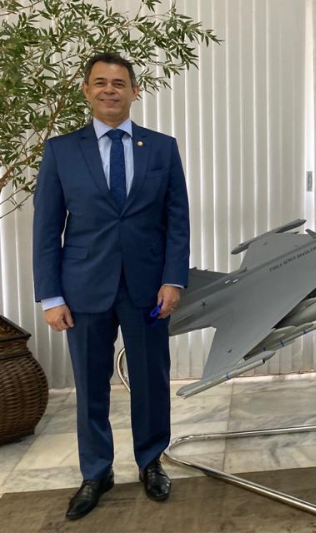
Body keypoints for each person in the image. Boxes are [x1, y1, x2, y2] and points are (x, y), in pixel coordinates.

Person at [32, 52, 190, 520]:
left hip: (147, 288)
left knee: (150, 380)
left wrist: (173, 279)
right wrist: (51, 296)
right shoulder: (61, 151)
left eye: (119, 83)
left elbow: (177, 221)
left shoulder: (161, 148)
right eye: (100, 82)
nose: (109, 90)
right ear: (86, 91)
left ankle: (150, 462)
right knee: (90, 386)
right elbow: (46, 229)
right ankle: (96, 472)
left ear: (134, 91)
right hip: (83, 289)